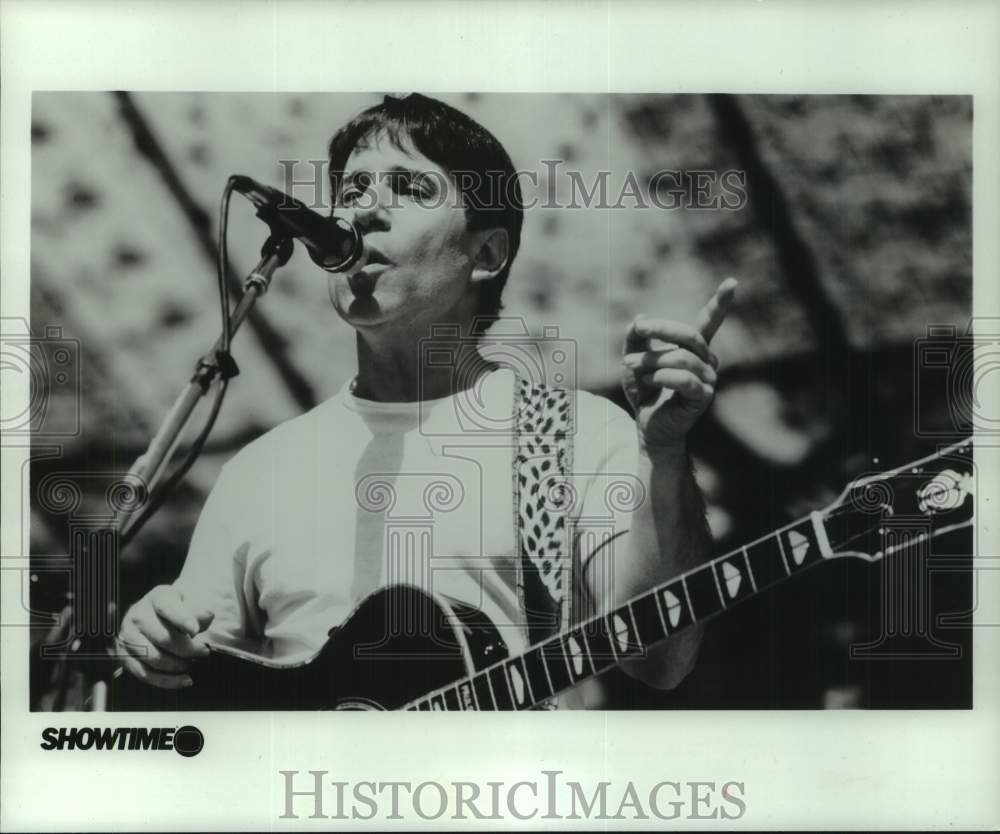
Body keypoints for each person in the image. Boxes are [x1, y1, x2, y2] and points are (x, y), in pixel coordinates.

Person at [116, 93, 737, 709]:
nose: (363, 212)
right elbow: (205, 693)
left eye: (410, 188)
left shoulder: (573, 432)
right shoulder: (259, 472)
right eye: (353, 190)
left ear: (486, 254)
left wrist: (662, 453)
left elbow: (662, 659)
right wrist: (157, 646)